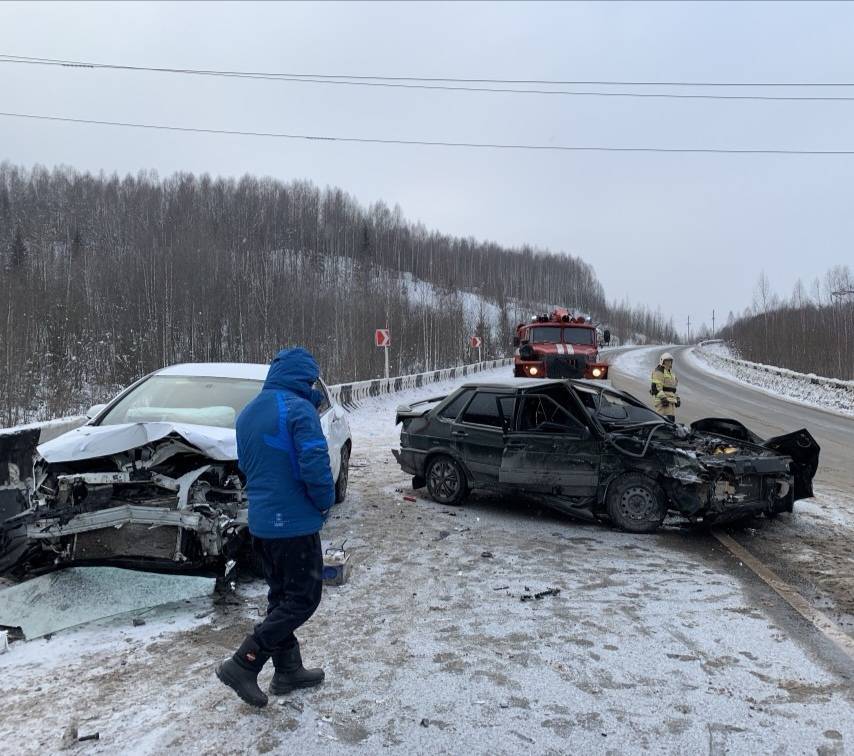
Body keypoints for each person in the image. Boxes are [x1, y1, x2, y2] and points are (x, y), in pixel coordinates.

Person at [216, 347, 336, 708]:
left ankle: (288, 670)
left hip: (263, 524)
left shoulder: (248, 412)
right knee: (303, 599)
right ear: (304, 378)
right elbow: (314, 462)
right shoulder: (298, 409)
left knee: (281, 598)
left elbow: (247, 465)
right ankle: (244, 662)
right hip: (294, 524)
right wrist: (324, 501)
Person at [650, 351, 680, 421]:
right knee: (663, 423)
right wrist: (663, 398)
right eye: (666, 361)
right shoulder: (659, 371)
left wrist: (677, 398)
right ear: (662, 361)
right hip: (663, 403)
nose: (668, 363)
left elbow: (673, 389)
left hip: (671, 402)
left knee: (671, 422)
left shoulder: (671, 374)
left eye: (670, 361)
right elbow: (656, 388)